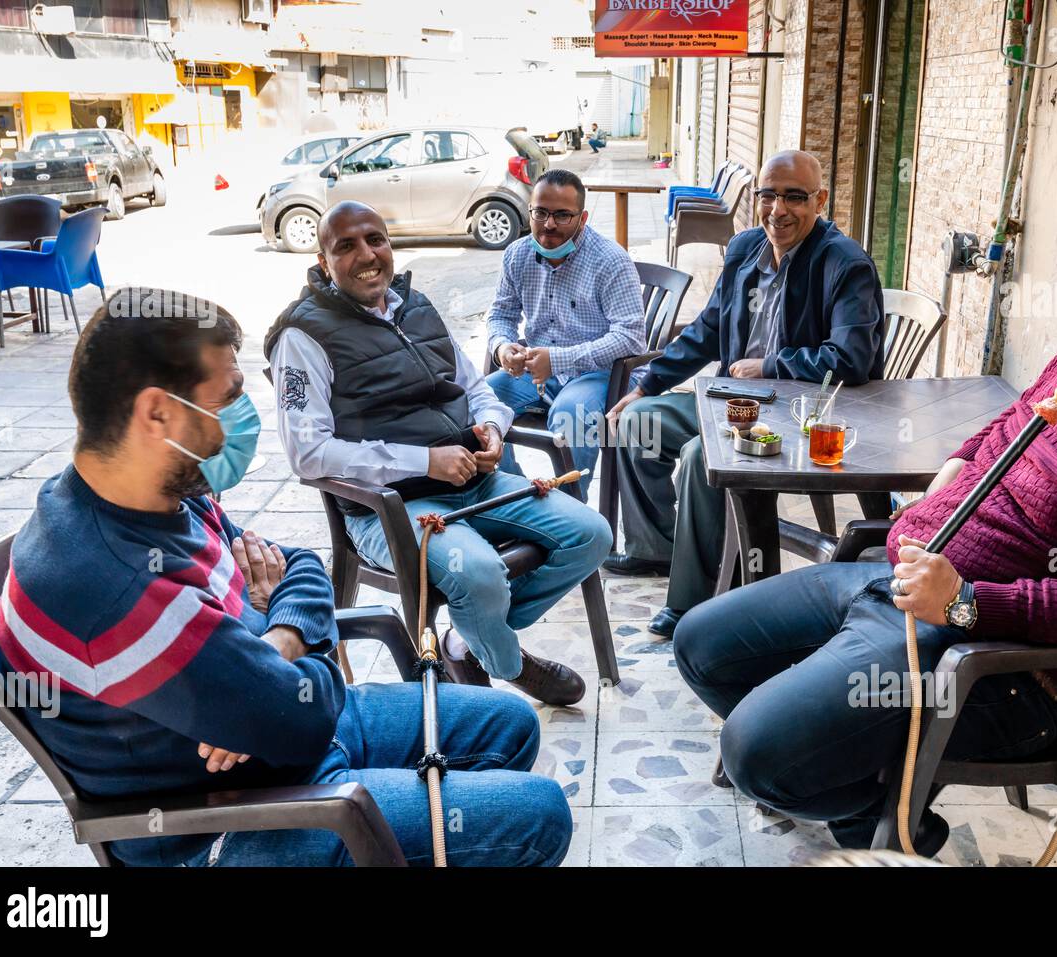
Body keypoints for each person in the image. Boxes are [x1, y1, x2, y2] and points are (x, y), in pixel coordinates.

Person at [675, 223, 1057, 857]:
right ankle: (874, 800)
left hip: (994, 669)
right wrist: (953, 473)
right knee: (701, 645)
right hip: (894, 584)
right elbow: (1004, 430)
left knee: (754, 753)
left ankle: (883, 808)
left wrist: (967, 602)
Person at [0, 287, 572, 866]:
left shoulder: (150, 491)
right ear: (157, 412)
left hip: (278, 743)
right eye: (227, 397)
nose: (240, 420)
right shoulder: (115, 586)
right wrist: (281, 664)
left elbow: (304, 564)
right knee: (541, 813)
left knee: (510, 724)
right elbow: (305, 718)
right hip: (237, 815)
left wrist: (276, 643)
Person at [265, 201, 612, 706]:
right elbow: (309, 453)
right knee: (479, 573)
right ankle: (511, 663)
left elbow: (477, 389)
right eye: (346, 246)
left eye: (375, 239)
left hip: (477, 484)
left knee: (591, 534)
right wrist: (424, 462)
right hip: (390, 506)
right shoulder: (303, 335)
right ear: (323, 263)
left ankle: (474, 640)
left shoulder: (415, 305)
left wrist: (493, 429)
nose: (367, 255)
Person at [604, 149, 885, 637]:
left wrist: (771, 365)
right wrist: (650, 383)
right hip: (733, 402)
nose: (779, 209)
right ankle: (658, 550)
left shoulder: (844, 264)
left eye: (795, 197)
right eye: (768, 195)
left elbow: (851, 361)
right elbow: (709, 329)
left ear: (820, 200)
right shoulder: (744, 250)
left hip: (799, 415)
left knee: (699, 457)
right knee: (637, 421)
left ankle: (695, 600)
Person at [486, 167, 646, 501]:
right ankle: (518, 495)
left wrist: (557, 360)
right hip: (538, 370)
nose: (549, 224)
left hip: (604, 373)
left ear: (583, 217)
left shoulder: (610, 261)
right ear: (529, 210)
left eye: (562, 215)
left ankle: (571, 508)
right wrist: (502, 347)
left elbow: (629, 337)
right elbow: (501, 314)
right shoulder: (517, 255)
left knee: (569, 415)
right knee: (477, 400)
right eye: (540, 212)